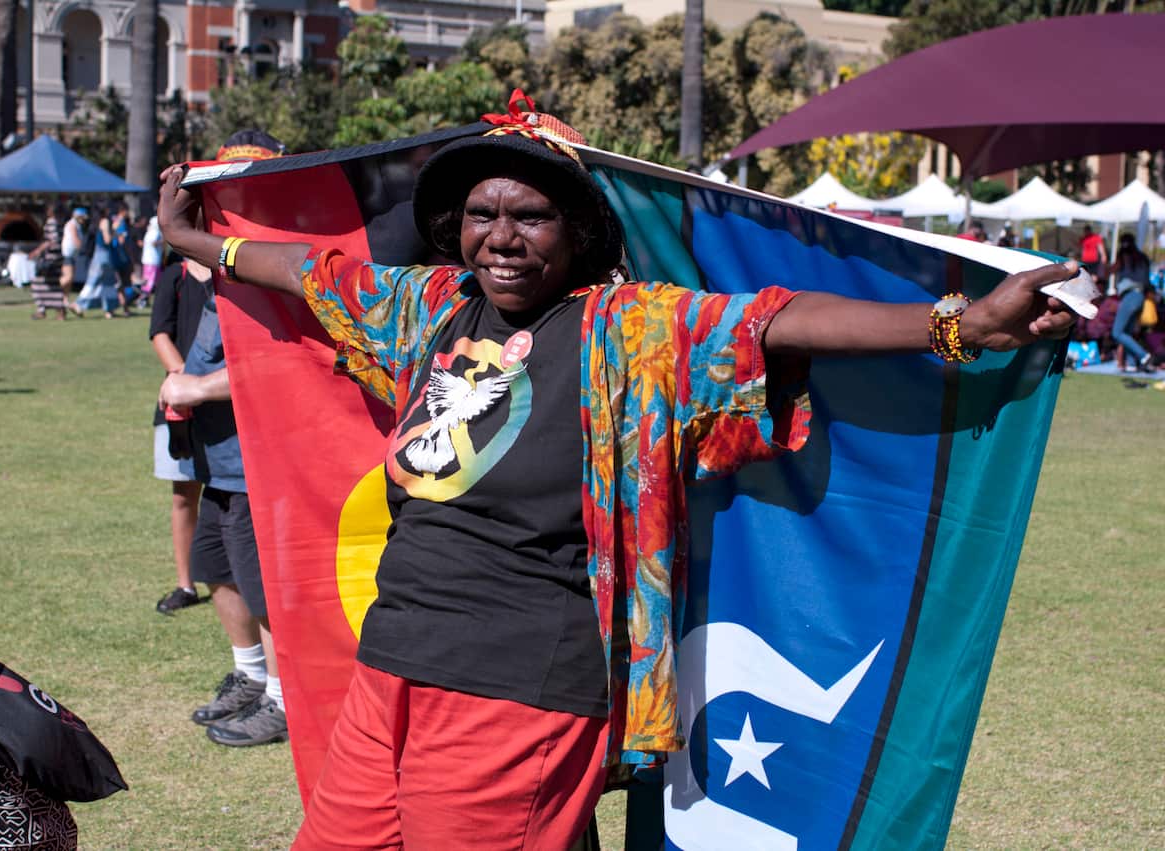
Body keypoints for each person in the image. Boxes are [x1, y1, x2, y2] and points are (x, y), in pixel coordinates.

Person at [158, 96, 1079, 848]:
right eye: (482, 214)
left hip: (518, 685)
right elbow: (314, 272)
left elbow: (773, 320)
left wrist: (963, 327)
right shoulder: (430, 310)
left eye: (531, 215)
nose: (502, 238)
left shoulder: (628, 332)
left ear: (578, 230)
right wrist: (199, 244)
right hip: (391, 666)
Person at [157, 129, 291, 747]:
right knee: (218, 567)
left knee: (263, 587)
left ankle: (285, 699)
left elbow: (282, 366)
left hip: (258, 459)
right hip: (220, 461)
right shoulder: (225, 263)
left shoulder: (274, 261)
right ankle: (251, 676)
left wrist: (196, 389)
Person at [148, 254, 209, 613]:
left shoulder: (230, 270)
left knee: (233, 497)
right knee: (183, 495)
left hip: (225, 397)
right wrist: (184, 378)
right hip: (181, 402)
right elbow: (159, 333)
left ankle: (237, 577)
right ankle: (185, 583)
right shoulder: (176, 274)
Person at [1107, 232, 1154, 372]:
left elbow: (1110, 271)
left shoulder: (1124, 256)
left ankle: (1143, 355)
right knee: (1127, 332)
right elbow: (1147, 280)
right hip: (1140, 297)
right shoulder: (1142, 258)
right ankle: (1133, 364)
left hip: (1130, 296)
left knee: (1117, 332)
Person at [74, 205, 122, 318]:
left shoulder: (96, 221)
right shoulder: (105, 221)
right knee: (95, 281)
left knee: (107, 282)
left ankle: (109, 309)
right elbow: (107, 240)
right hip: (104, 255)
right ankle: (78, 303)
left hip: (98, 254)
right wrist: (115, 228)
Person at [60, 207, 88, 312]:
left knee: (70, 281)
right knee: (68, 277)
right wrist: (84, 248)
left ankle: (65, 299)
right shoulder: (72, 224)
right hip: (68, 255)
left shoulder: (77, 225)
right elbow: (76, 240)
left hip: (73, 256)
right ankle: (53, 290)